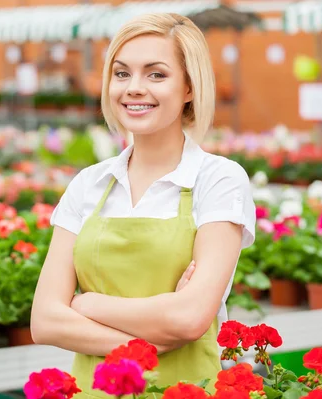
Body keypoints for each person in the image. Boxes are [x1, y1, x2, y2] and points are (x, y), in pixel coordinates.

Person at [30, 13, 256, 397]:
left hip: (186, 389)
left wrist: (87, 304)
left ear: (189, 86)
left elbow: (188, 318)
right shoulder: (89, 184)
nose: (134, 88)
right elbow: (45, 322)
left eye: (156, 74)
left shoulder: (218, 180)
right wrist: (154, 341)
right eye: (122, 74)